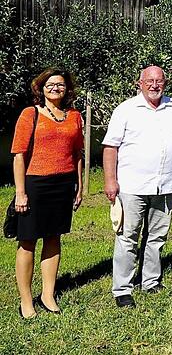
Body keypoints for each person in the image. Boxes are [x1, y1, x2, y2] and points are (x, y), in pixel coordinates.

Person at [104, 66, 172, 308]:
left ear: (165, 83)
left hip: (165, 186)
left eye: (159, 81)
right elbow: (111, 147)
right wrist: (110, 180)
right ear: (139, 83)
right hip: (132, 186)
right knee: (127, 237)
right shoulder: (126, 110)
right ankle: (122, 288)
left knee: (157, 236)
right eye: (149, 81)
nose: (154, 85)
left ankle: (150, 281)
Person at [11, 69, 84, 319]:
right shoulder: (29, 114)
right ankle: (25, 300)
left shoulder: (74, 116)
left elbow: (77, 155)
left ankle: (48, 295)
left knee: (54, 238)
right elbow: (19, 155)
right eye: (50, 84)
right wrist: (21, 192)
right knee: (28, 240)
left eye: (60, 84)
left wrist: (80, 186)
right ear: (40, 87)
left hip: (63, 184)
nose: (55, 88)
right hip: (35, 185)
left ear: (67, 89)